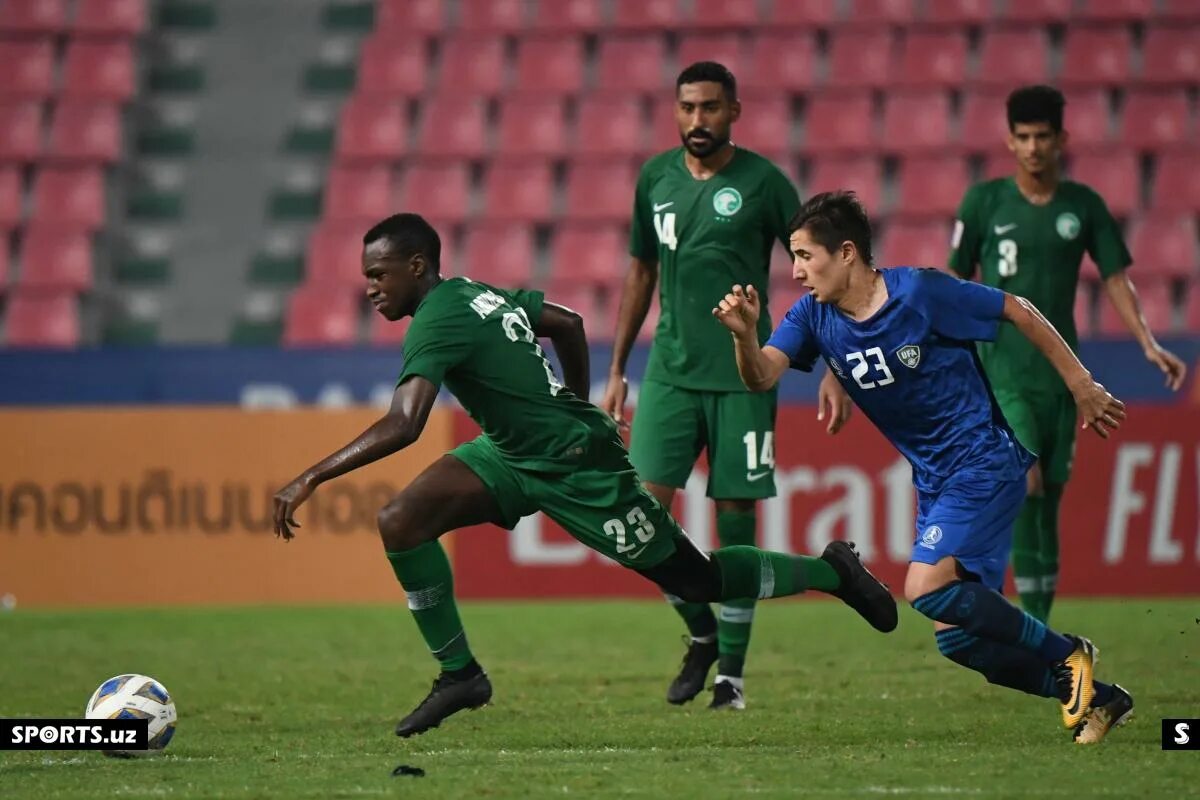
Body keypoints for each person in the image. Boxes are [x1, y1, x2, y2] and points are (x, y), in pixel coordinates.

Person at [272, 213, 897, 739]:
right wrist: (574, 399)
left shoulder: (439, 318)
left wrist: (310, 477)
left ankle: (832, 570)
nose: (371, 291)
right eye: (365, 280)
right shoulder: (471, 293)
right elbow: (567, 323)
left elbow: (405, 423)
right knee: (400, 521)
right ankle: (461, 675)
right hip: (511, 452)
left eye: (378, 276)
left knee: (697, 578)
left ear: (415, 267)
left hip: (575, 468)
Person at [714, 191, 1131, 744]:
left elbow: (1017, 309)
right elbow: (762, 376)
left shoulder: (921, 292)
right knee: (958, 639)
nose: (794, 272)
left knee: (925, 587)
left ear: (845, 254)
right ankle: (1100, 699)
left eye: (804, 256)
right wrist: (745, 337)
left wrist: (1081, 384)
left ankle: (1069, 655)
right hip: (935, 481)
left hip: (983, 459)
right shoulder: (813, 315)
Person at [601, 60, 850, 710]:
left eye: (710, 107)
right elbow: (638, 273)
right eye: (687, 107)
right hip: (669, 375)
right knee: (634, 520)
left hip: (744, 375)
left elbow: (815, 269)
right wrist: (618, 369)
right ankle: (701, 632)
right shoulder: (654, 178)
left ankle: (732, 679)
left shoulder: (765, 184)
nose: (697, 120)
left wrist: (831, 362)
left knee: (734, 526)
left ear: (734, 111)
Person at [949, 84, 1187, 624]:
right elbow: (954, 282)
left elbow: (1115, 279)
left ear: (1062, 140)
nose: (1033, 147)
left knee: (1048, 495)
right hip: (1002, 369)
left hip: (1061, 374)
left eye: (1043, 137)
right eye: (1024, 137)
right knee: (1025, 481)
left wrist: (1147, 343)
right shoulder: (984, 203)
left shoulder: (1083, 206)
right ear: (1009, 141)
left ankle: (1039, 627)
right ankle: (1002, 612)